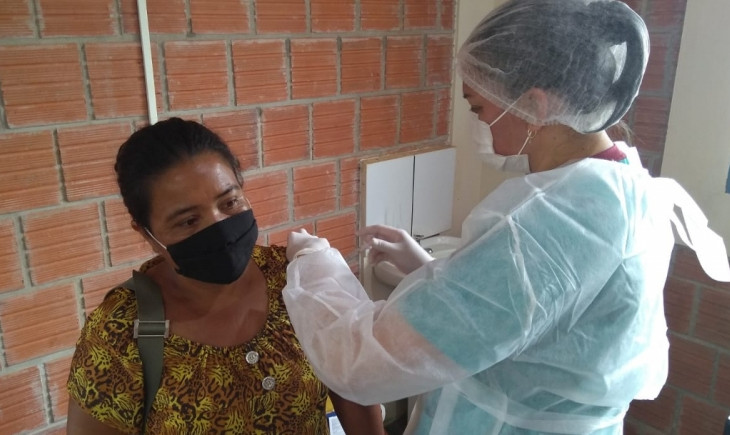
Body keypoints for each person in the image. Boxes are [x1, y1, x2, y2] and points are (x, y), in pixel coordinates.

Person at [281, 0, 730, 434]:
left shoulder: (557, 219)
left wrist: (314, 264)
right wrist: (431, 269)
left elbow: (362, 364)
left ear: (535, 105)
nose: (477, 121)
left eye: (479, 106)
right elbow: (537, 317)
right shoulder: (616, 184)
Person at [66, 118, 386, 434]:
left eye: (230, 202)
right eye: (188, 221)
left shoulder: (298, 279)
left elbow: (353, 387)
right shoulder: (120, 332)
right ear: (146, 233)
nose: (219, 227)